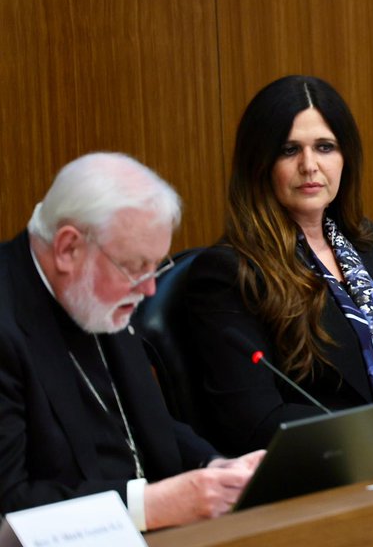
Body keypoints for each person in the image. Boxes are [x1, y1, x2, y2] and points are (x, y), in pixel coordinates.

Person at [179, 76, 373, 456]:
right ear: (260, 163)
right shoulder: (229, 274)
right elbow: (255, 424)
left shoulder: (364, 245)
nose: (310, 166)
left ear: (346, 158)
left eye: (325, 147)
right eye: (290, 150)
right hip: (318, 475)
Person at [0, 153, 263, 530]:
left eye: (155, 267)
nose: (150, 288)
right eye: (136, 267)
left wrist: (216, 467)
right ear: (68, 248)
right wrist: (150, 505)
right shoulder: (8, 320)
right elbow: (9, 504)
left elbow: (147, 421)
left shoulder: (98, 295)